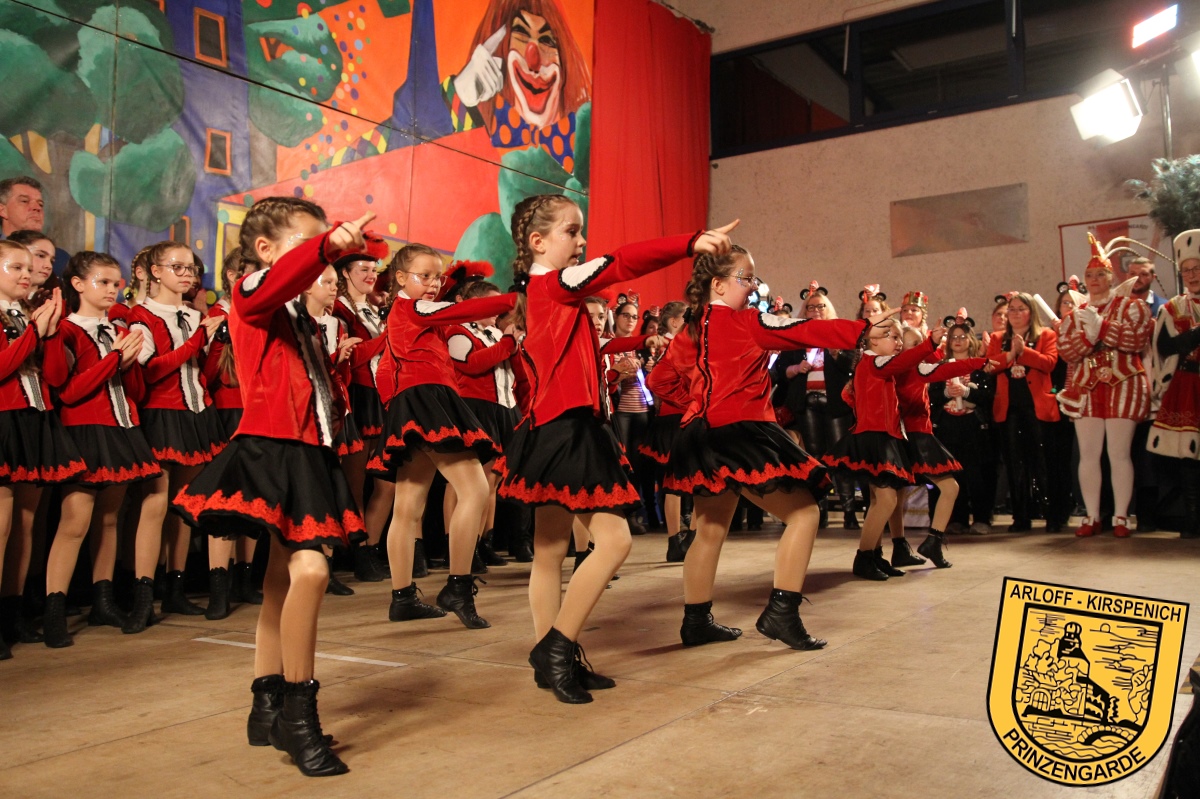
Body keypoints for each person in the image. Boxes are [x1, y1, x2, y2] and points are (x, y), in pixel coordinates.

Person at [497, 192, 737, 704]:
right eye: (571, 231)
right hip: (568, 430)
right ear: (538, 241)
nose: (581, 240)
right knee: (614, 542)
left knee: (549, 551)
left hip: (555, 428)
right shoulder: (555, 284)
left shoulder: (545, 293)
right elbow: (622, 260)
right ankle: (555, 649)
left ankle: (553, 658)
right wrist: (692, 241)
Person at [174, 197, 379, 777]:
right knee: (310, 572)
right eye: (307, 243)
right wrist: (329, 246)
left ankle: (264, 705)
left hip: (308, 452)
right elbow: (284, 280)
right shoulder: (251, 291)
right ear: (265, 250)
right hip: (271, 448)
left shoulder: (300, 316)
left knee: (277, 582)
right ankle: (298, 713)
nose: (322, 260)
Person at [664, 247, 870, 648]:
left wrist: (699, 403)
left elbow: (660, 382)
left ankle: (696, 621)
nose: (753, 287)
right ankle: (781, 613)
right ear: (718, 284)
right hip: (742, 431)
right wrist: (862, 330)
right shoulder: (747, 322)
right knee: (805, 515)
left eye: (753, 279)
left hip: (700, 435)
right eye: (746, 278)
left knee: (709, 528)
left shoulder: (689, 331)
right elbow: (803, 329)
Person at [369, 244, 515, 629]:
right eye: (425, 276)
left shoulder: (415, 313)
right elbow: (463, 311)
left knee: (408, 506)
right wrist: (517, 299)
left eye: (438, 276)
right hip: (426, 398)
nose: (434, 283)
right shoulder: (413, 309)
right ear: (401, 278)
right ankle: (458, 587)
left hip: (417, 401)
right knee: (475, 490)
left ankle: (403, 598)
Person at [40, 252, 160, 646]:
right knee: (74, 523)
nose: (112, 290)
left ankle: (103, 601)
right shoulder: (67, 329)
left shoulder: (119, 329)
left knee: (109, 519)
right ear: (77, 284)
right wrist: (114, 359)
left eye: (115, 283)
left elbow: (135, 392)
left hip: (123, 428)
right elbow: (68, 391)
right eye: (102, 282)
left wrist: (130, 364)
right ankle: (54, 612)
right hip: (84, 430)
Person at [128, 243, 226, 623]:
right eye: (177, 267)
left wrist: (216, 343)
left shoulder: (194, 315)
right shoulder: (142, 315)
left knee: (185, 506)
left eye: (191, 269)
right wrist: (199, 338)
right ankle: (142, 597)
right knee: (154, 505)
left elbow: (204, 371)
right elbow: (152, 370)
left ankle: (175, 590)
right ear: (155, 271)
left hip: (197, 413)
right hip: (162, 414)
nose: (187, 275)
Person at [0, 243, 83, 658]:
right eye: (15, 267)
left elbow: (54, 375)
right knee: (1, 525)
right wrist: (34, 331)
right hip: (5, 421)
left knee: (26, 523)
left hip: (35, 418)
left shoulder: (26, 314)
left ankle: (13, 612)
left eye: (28, 268)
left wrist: (48, 334)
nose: (26, 274)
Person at [824, 318, 947, 580]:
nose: (898, 342)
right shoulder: (876, 362)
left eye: (900, 337)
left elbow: (850, 395)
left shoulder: (873, 364)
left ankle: (874, 555)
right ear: (873, 341)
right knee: (887, 500)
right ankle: (864, 556)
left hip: (883, 437)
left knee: (882, 500)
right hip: (874, 439)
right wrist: (930, 343)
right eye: (893, 336)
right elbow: (903, 362)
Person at [1057, 235, 1154, 538]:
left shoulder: (1132, 307)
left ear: (1112, 277)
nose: (1095, 279)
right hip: (1087, 389)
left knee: (1119, 453)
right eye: (1090, 274)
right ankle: (1092, 515)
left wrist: (1102, 327)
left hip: (1123, 385)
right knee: (1088, 454)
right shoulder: (1075, 315)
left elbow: (1137, 340)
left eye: (1101, 273)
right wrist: (1088, 336)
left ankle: (1121, 517)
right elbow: (1067, 351)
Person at [887, 324, 991, 572]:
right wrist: (980, 361)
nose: (920, 349)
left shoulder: (906, 368)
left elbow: (945, 367)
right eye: (914, 344)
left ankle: (904, 546)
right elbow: (946, 369)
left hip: (912, 433)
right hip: (916, 435)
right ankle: (930, 541)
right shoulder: (910, 369)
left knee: (898, 494)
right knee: (948, 487)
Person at [203, 248, 263, 606]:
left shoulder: (263, 314)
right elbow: (207, 376)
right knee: (225, 499)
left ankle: (244, 579)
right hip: (227, 412)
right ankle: (218, 587)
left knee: (253, 496)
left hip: (258, 412)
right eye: (246, 273)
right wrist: (222, 340)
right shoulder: (217, 315)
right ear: (230, 276)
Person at [329, 254, 393, 583]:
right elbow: (353, 359)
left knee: (386, 482)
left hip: (380, 397)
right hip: (357, 397)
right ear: (345, 273)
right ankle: (354, 553)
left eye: (373, 270)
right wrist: (387, 335)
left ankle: (370, 548)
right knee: (354, 483)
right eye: (363, 270)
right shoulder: (340, 310)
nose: (370, 275)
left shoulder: (372, 309)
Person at [985, 292, 1062, 532]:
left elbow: (1049, 363)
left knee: (1043, 462)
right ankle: (1021, 517)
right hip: (1009, 410)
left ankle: (1052, 516)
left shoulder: (1046, 335)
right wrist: (1010, 355)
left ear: (1031, 312)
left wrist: (1025, 352)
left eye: (1021, 309)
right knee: (1015, 464)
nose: (1015, 313)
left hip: (1037, 408)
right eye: (1012, 309)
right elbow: (989, 366)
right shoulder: (998, 338)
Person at [1148, 230, 1200, 537]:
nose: (1192, 275)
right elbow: (1166, 347)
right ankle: (1193, 519)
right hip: (1187, 384)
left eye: (1197, 268)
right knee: (1188, 457)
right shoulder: (1172, 308)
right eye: (1187, 270)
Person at [929, 315, 995, 535]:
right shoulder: (940, 368)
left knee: (977, 474)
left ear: (971, 340)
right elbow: (931, 396)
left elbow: (988, 396)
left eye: (962, 337)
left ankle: (982, 517)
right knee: (952, 474)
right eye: (953, 337)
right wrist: (947, 393)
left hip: (973, 426)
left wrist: (967, 392)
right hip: (947, 426)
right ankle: (957, 518)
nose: (957, 341)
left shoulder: (980, 367)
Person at [642, 301, 695, 561]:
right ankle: (679, 540)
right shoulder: (670, 346)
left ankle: (686, 538)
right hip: (675, 418)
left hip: (680, 416)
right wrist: (688, 402)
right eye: (687, 317)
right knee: (675, 482)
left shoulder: (678, 345)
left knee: (689, 480)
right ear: (674, 322)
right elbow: (656, 382)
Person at [0, 177, 70, 273]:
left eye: (40, 204)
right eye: (24, 201)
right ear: (2, 210)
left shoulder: (61, 259)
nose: (37, 208)